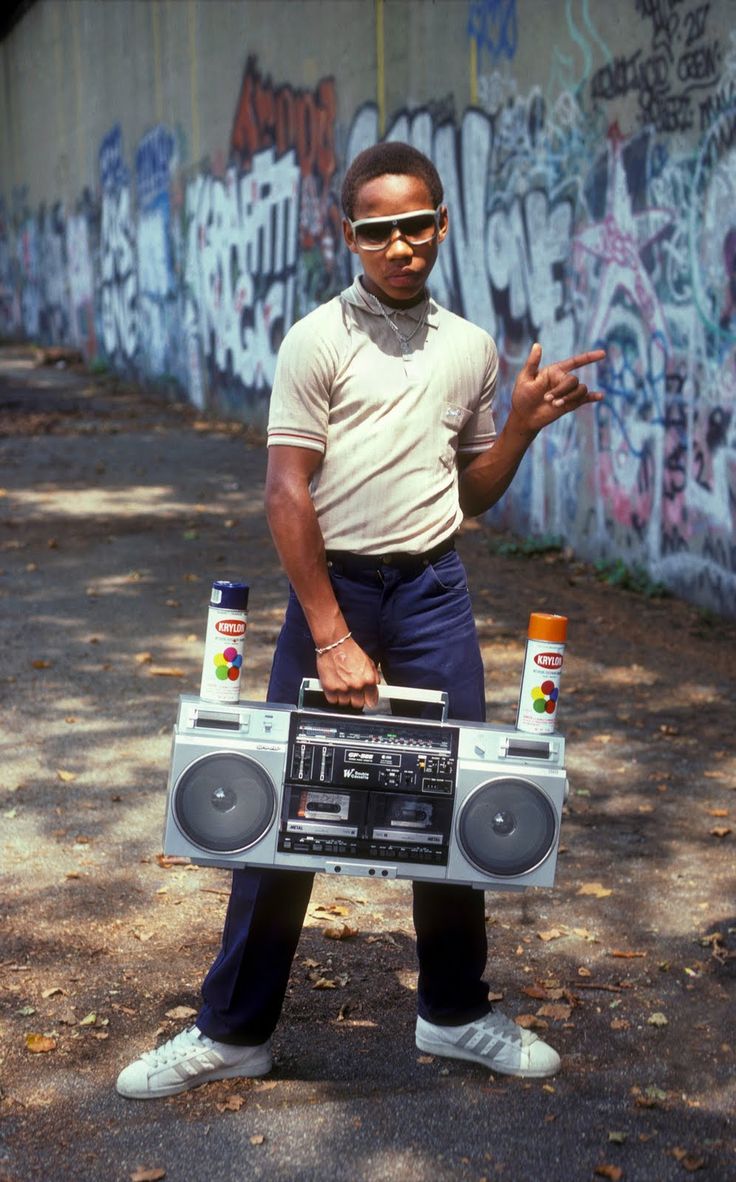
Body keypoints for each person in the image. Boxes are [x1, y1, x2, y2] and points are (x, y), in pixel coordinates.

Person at [116, 142, 604, 1099]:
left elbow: (471, 494)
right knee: (280, 808)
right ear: (351, 236)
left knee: (454, 803)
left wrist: (519, 430)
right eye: (376, 231)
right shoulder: (316, 339)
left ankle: (455, 1014)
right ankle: (234, 1031)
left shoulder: (470, 347)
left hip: (431, 591)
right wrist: (331, 633)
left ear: (440, 225)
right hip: (332, 592)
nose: (398, 246)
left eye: (414, 226)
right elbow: (285, 492)